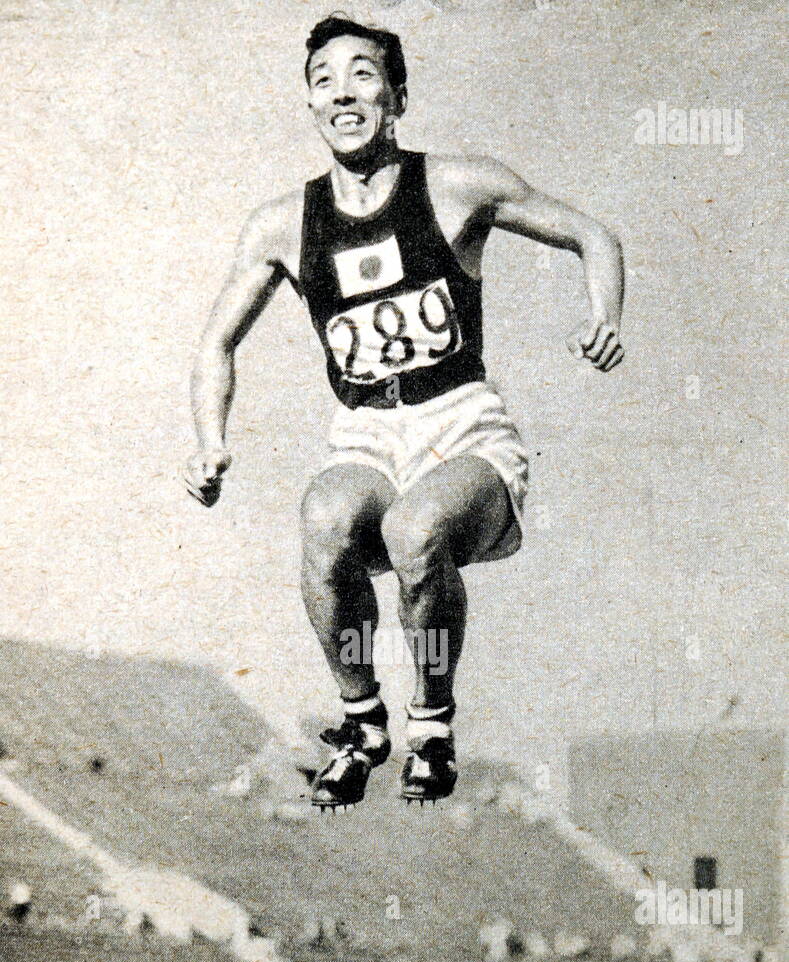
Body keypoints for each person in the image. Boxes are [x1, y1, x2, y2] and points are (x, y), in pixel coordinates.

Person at [187, 15, 624, 808]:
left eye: (361, 74)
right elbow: (216, 344)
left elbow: (591, 233)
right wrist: (209, 443)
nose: (341, 91)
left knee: (416, 531)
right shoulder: (282, 224)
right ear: (311, 105)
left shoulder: (458, 185)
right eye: (323, 78)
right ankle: (361, 721)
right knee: (323, 518)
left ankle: (431, 724)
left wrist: (603, 315)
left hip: (461, 424)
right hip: (366, 430)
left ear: (396, 98)